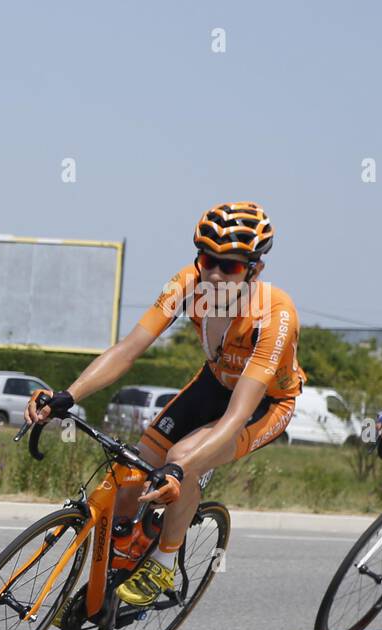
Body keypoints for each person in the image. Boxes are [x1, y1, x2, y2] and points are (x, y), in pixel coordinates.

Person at [26, 202, 304, 607]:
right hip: (214, 381)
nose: (214, 274)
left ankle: (165, 560)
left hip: (265, 403)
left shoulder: (276, 314)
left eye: (229, 267)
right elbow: (129, 349)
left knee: (183, 457)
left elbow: (238, 413)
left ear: (255, 270)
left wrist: (179, 467)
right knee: (132, 472)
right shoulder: (187, 284)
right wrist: (68, 396)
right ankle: (120, 560)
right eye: (208, 260)